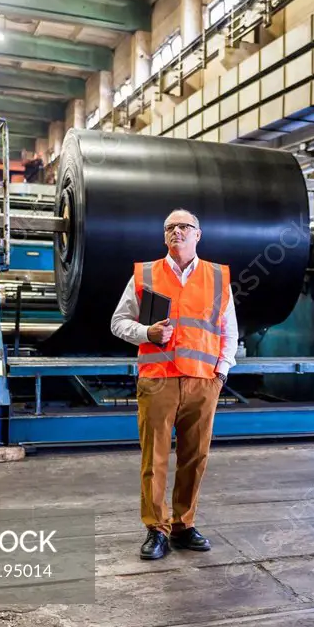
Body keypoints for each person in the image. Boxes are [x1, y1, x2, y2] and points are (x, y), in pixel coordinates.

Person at [110, 208, 238, 560]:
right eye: (170, 227)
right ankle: (156, 529)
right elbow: (118, 322)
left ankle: (184, 524)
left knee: (195, 457)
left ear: (198, 234)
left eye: (185, 227)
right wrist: (145, 332)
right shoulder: (146, 273)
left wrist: (222, 371)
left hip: (203, 382)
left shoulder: (217, 277)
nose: (177, 232)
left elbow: (229, 330)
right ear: (164, 236)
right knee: (155, 459)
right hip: (158, 382)